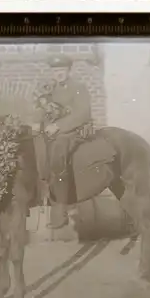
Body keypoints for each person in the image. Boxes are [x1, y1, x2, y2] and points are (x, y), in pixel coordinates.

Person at [31, 54, 92, 229]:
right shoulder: (49, 89)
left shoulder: (78, 88)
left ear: (68, 70)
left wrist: (59, 126)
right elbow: (41, 108)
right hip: (51, 132)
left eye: (62, 70)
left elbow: (83, 113)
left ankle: (62, 211)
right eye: (55, 70)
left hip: (73, 131)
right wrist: (36, 122)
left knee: (58, 152)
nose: (58, 74)